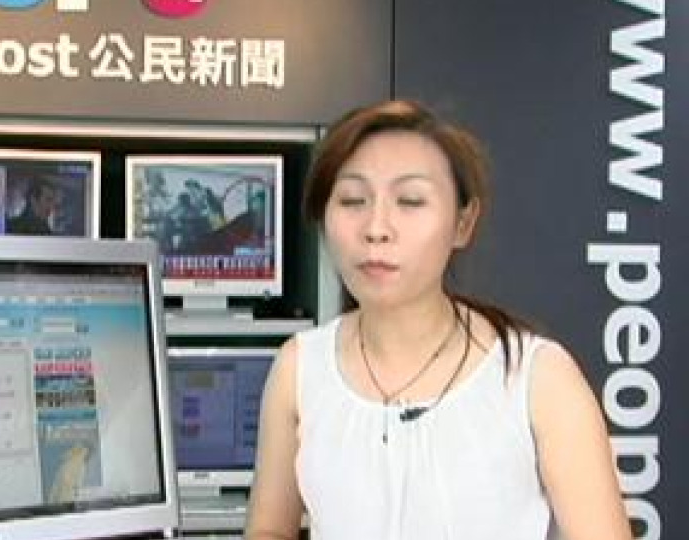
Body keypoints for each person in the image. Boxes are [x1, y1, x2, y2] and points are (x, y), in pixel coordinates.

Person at [244, 100, 632, 540]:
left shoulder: (537, 377)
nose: (376, 228)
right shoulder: (299, 367)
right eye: (352, 200)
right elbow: (268, 530)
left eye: (410, 201)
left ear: (463, 222)